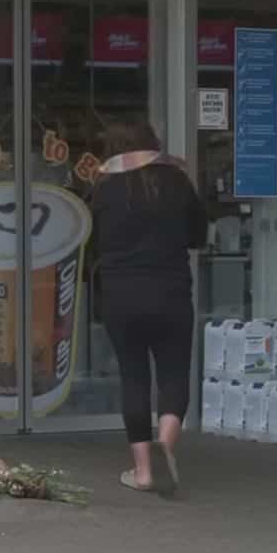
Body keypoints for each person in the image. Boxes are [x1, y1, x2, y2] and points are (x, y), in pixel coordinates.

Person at [91, 118, 206, 495]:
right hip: (170, 291)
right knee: (174, 373)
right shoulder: (176, 181)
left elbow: (92, 243)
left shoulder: (104, 188)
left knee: (134, 377)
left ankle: (142, 471)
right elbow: (197, 236)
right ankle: (166, 449)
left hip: (121, 296)